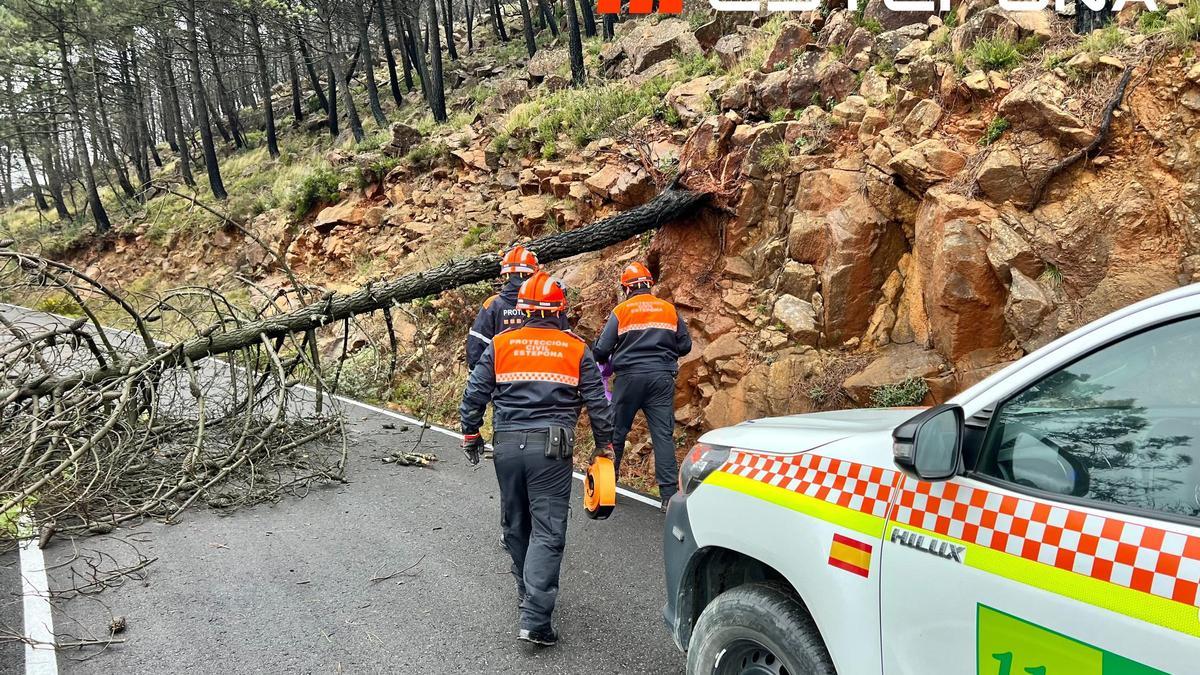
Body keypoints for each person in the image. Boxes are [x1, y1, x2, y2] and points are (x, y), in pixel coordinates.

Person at [460, 271, 614, 646]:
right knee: (547, 529)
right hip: (552, 449)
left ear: (522, 309)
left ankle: (524, 593)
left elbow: (475, 392)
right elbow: (598, 403)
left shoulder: (501, 344)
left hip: (508, 446)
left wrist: (471, 432)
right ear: (560, 310)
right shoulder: (576, 348)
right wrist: (604, 445)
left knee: (516, 521)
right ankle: (536, 618)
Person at [592, 262, 692, 510]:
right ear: (649, 285)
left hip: (629, 378)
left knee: (616, 431)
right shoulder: (668, 309)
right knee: (662, 435)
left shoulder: (622, 311)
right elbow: (685, 346)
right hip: (661, 378)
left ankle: (608, 487)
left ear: (626, 288)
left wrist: (608, 360)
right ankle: (668, 496)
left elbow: (602, 350)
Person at [466, 245, 540, 371]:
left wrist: (478, 380)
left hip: (503, 384)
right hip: (541, 382)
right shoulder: (547, 304)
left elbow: (476, 348)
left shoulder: (492, 305)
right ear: (534, 272)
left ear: (506, 274)